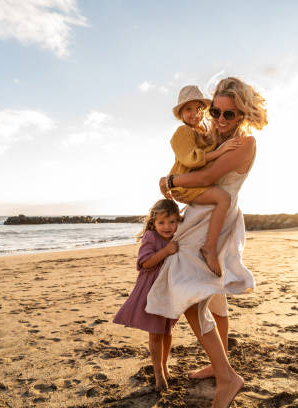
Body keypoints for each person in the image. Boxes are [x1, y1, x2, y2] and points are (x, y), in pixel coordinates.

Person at [146, 77, 267, 407]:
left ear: (244, 115)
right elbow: (192, 156)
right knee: (213, 294)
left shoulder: (246, 144)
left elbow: (204, 178)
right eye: (216, 112)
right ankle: (218, 365)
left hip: (215, 216)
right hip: (201, 213)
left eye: (231, 115)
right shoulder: (213, 135)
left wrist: (169, 180)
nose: (221, 120)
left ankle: (228, 377)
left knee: (188, 293)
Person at [169, 85, 242, 276]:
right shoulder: (182, 132)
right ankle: (209, 247)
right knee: (223, 198)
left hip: (196, 182)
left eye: (198, 109)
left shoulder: (202, 131)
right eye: (188, 109)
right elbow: (191, 158)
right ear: (181, 114)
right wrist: (221, 151)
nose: (194, 114)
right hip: (185, 183)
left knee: (222, 199)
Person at [113, 199, 181, 391]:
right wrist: (166, 251)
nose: (167, 227)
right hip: (151, 291)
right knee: (155, 332)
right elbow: (144, 263)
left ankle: (165, 366)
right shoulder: (151, 237)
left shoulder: (177, 237)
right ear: (153, 223)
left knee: (167, 331)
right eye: (161, 223)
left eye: (172, 222)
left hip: (169, 291)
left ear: (178, 221)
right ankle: (158, 374)